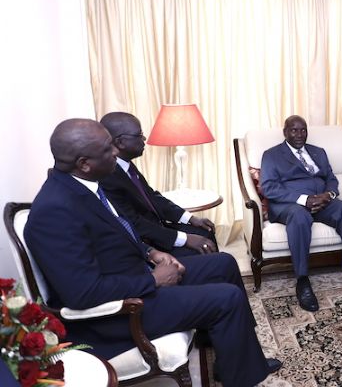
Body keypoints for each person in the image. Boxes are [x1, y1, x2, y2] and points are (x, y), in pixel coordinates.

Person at [24, 119, 281, 387]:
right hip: (120, 312)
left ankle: (233, 354)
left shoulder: (83, 185)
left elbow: (117, 232)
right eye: (107, 148)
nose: (115, 152)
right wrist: (155, 279)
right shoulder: (54, 211)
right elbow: (82, 293)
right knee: (226, 299)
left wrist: (151, 251)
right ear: (83, 163)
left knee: (225, 264)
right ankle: (242, 380)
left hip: (135, 273)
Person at [260, 115, 342, 312]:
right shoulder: (272, 155)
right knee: (300, 217)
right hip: (290, 205)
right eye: (294, 130)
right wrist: (304, 200)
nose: (299, 134)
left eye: (303, 130)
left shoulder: (318, 152)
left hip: (321, 201)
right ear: (285, 132)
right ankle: (302, 280)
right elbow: (269, 188)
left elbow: (331, 179)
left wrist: (328, 195)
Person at [98, 112, 217, 257]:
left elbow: (152, 197)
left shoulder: (125, 166)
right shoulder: (108, 177)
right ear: (120, 142)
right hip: (148, 246)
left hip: (158, 228)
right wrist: (185, 239)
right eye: (139, 135)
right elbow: (134, 223)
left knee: (206, 232)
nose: (144, 138)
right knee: (218, 257)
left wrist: (191, 218)